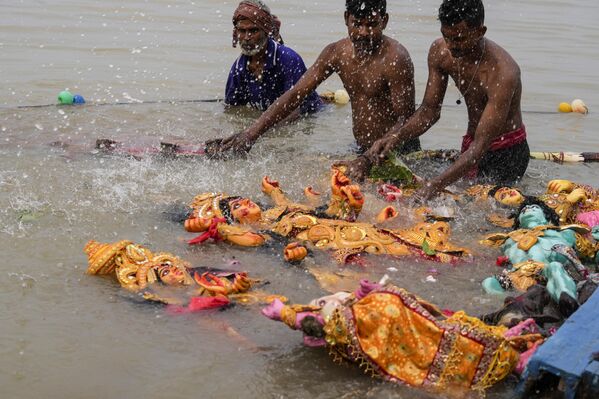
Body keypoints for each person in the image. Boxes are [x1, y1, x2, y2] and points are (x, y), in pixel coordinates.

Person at [349, 0, 530, 199]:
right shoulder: (441, 51)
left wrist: (434, 185)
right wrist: (394, 138)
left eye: (459, 39)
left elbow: (480, 146)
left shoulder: (503, 73)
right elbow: (429, 111)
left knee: (487, 213)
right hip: (470, 146)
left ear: (480, 31)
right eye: (447, 36)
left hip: (507, 152)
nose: (452, 46)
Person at [213, 0, 420, 156]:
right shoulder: (336, 53)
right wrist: (251, 134)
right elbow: (295, 95)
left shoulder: (396, 58)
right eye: (357, 24)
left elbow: (406, 120)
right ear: (346, 18)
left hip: (399, 153)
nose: (363, 32)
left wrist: (374, 156)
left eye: (372, 24)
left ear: (384, 21)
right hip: (361, 149)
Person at [225, 0, 322, 115]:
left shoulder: (288, 59)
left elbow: (294, 111)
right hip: (268, 122)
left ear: (266, 31)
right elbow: (231, 109)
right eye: (242, 30)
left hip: (312, 118)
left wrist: (256, 132)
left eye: (253, 30)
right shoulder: (238, 68)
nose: (247, 37)